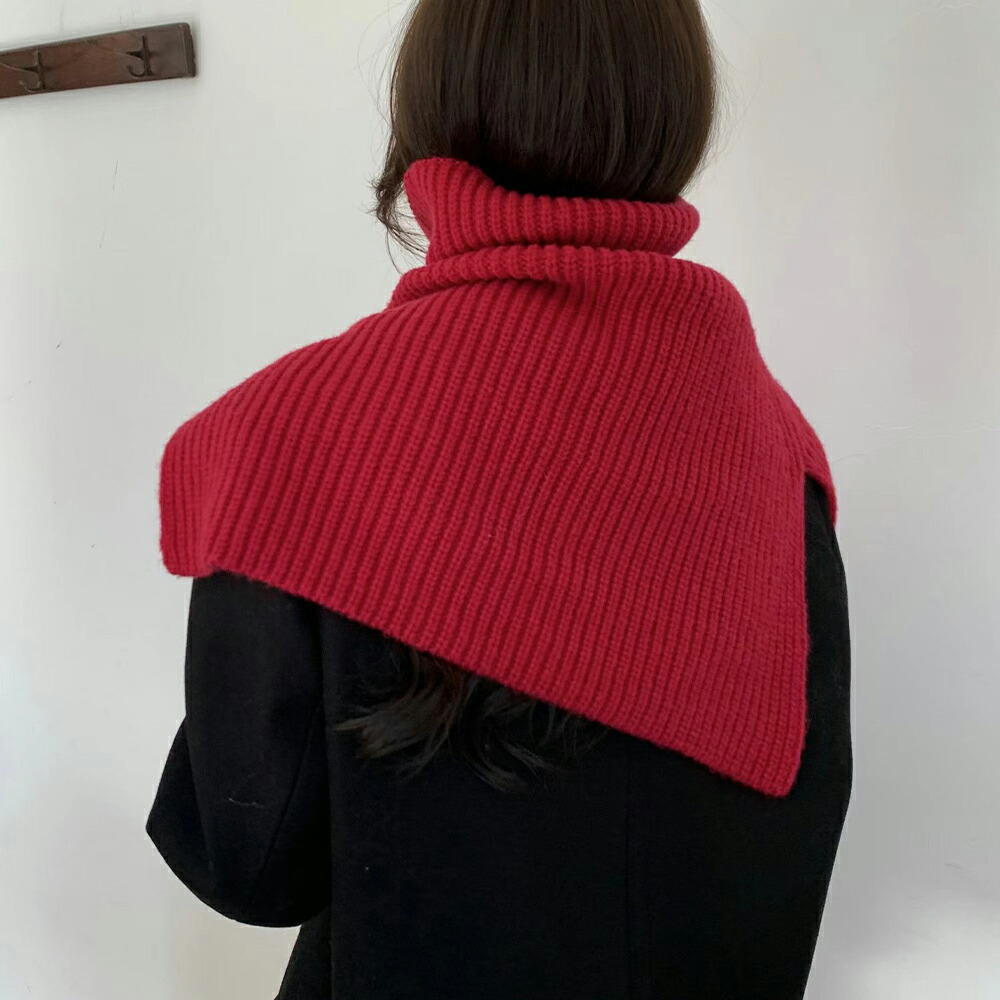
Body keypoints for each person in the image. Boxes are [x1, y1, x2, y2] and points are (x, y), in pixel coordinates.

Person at [146, 1, 853, 998]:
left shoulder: (288, 441)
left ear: (433, 107)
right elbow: (785, 849)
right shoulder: (784, 460)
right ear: (674, 117)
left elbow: (251, 869)